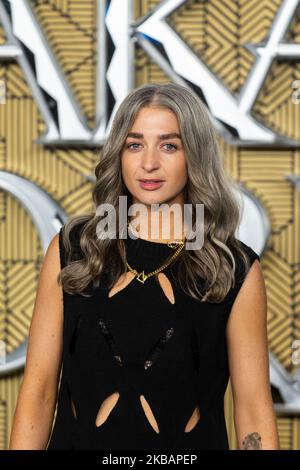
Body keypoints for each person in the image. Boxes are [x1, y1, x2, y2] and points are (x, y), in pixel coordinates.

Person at [9, 82, 280, 450]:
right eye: (134, 144)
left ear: (194, 156)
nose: (149, 163)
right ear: (119, 153)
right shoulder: (75, 250)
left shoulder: (233, 268)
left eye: (169, 145)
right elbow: (38, 393)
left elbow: (252, 409)